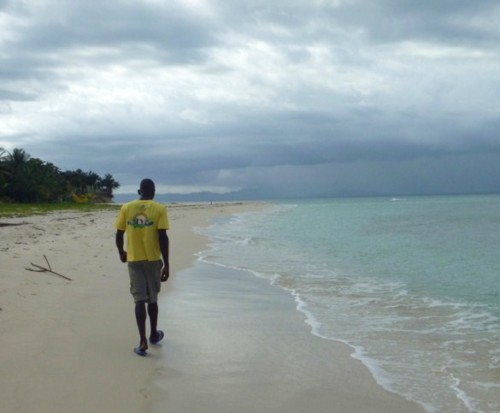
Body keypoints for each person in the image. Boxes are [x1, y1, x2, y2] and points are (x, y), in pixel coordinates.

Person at [115, 178, 170, 356]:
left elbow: (119, 233)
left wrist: (121, 252)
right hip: (153, 260)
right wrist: (167, 264)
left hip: (134, 259)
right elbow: (163, 237)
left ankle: (142, 340)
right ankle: (153, 334)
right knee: (152, 299)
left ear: (139, 191)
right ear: (153, 191)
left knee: (139, 299)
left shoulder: (126, 208)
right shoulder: (159, 209)